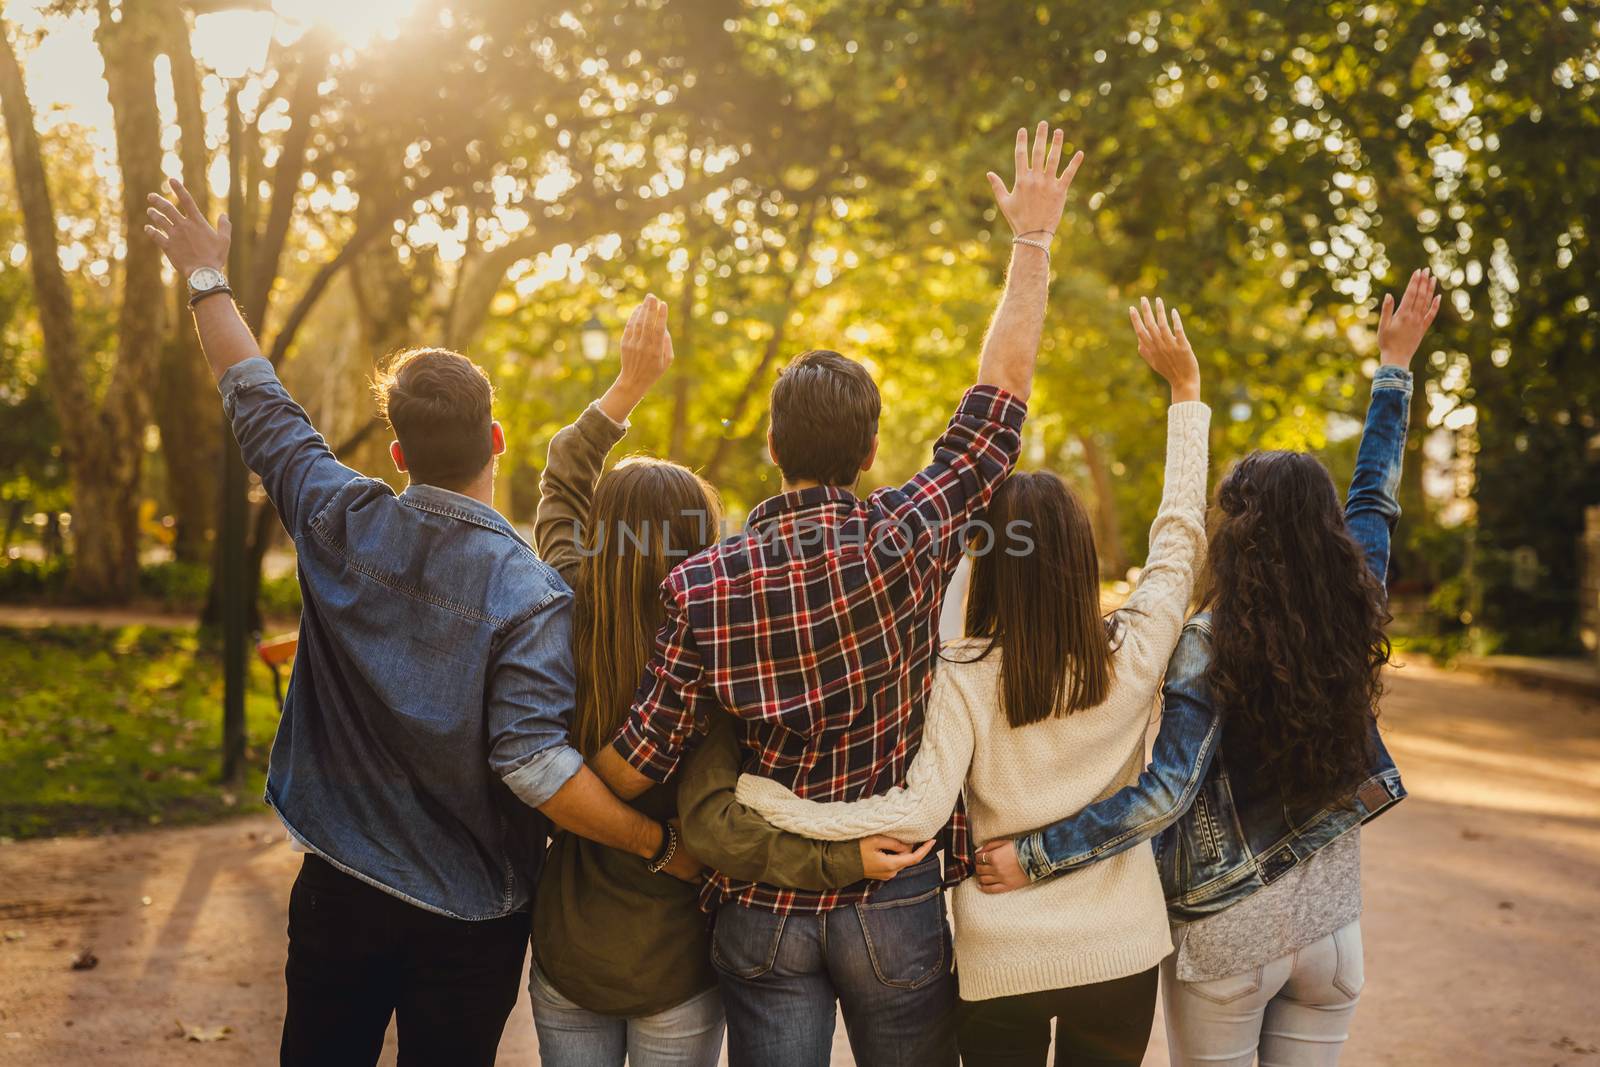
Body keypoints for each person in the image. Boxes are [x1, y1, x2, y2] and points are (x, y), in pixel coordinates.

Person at [143, 179, 697, 1067]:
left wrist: (207, 273)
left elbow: (255, 397)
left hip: (339, 887)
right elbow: (532, 761)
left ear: (399, 453)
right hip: (472, 917)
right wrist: (657, 842)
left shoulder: (336, 517)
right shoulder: (532, 591)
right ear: (499, 440)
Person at [586, 120, 1084, 1067]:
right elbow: (1003, 390)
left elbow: (637, 760)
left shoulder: (701, 586)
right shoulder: (910, 532)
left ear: (772, 449)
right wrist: (1032, 239)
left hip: (761, 913)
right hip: (892, 900)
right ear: (867, 454)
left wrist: (551, 785)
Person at [972, 270, 1442, 1066]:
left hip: (1230, 937)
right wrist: (1393, 369)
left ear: (1238, 534)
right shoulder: (1352, 596)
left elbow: (1164, 794)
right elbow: (1376, 498)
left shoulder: (1207, 639)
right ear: (1325, 530)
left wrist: (1035, 853)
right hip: (1334, 934)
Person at [737, 300, 1213, 1066]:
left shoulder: (959, 670)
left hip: (1001, 953)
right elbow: (1180, 531)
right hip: (1120, 949)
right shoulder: (1134, 649)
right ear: (1084, 558)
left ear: (988, 564)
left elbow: (915, 812)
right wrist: (1184, 394)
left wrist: (770, 800)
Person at [527, 296, 931, 1067]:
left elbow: (563, 478)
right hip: (675, 954)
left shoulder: (568, 600)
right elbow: (718, 826)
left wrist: (628, 385)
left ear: (774, 443)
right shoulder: (718, 647)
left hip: (570, 940)